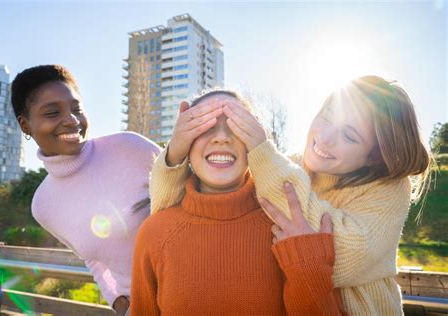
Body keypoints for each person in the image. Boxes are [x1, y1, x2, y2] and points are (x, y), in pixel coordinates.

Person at [149, 77, 432, 315]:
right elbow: (168, 211)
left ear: (374, 156)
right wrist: (176, 151)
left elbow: (340, 260)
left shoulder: (388, 188)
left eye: (350, 136)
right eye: (326, 118)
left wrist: (262, 151)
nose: (325, 138)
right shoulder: (286, 168)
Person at [130, 90, 345, 315]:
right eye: (206, 126)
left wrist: (308, 266)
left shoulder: (292, 230)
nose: (222, 137)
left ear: (255, 142)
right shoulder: (154, 233)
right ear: (186, 144)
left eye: (237, 126)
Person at [11, 64, 165, 315]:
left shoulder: (130, 148)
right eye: (52, 113)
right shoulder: (43, 205)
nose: (71, 120)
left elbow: (193, 199)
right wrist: (116, 299)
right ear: (25, 125)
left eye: (76, 109)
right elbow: (92, 257)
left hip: (191, 291)